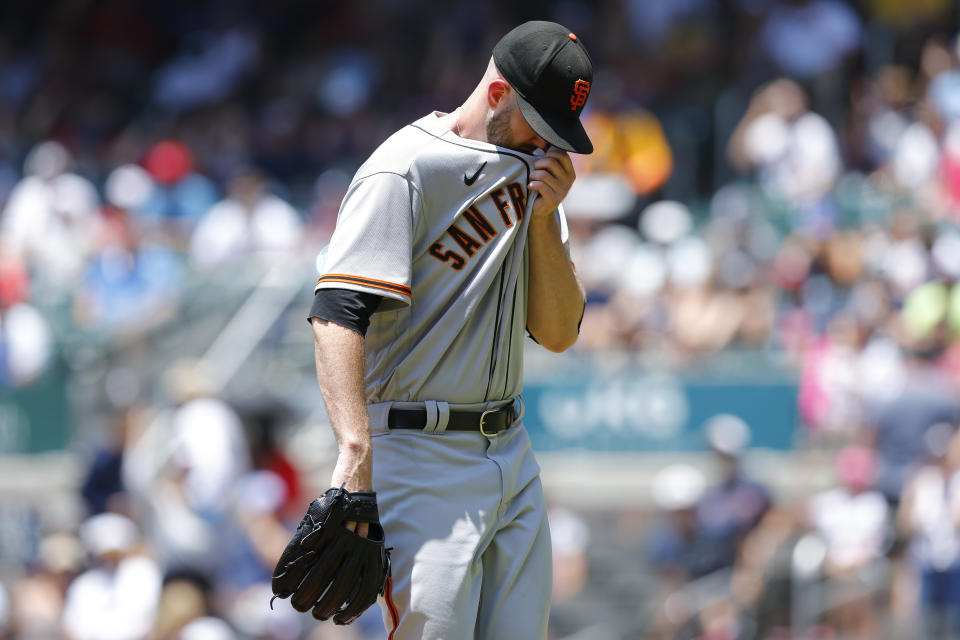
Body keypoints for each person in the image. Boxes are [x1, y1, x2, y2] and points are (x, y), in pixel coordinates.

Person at [300, 20, 592, 639]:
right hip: (418, 454)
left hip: (511, 448)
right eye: (536, 124)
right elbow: (336, 313)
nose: (547, 144)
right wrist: (355, 453)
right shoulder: (404, 168)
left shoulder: (540, 179)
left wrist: (546, 224)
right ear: (497, 94)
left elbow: (561, 332)